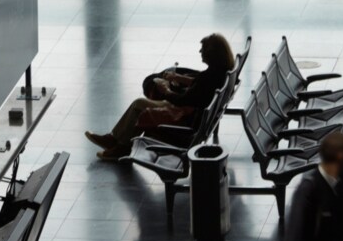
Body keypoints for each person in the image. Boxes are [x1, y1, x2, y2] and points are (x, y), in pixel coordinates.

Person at [85, 33, 235, 160]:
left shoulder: (208, 78)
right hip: (193, 115)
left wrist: (165, 90)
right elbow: (200, 84)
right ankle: (116, 141)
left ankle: (120, 145)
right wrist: (179, 78)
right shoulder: (220, 73)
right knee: (141, 104)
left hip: (183, 118)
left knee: (139, 104)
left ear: (211, 54)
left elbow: (182, 100)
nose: (200, 51)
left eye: (202, 50)